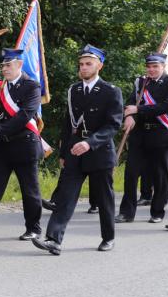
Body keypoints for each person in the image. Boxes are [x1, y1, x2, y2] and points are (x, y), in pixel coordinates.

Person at [32, 45, 122, 255]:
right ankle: (53, 239)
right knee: (65, 196)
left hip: (99, 152)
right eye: (81, 64)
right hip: (74, 150)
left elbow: (113, 124)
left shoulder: (110, 91)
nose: (83, 67)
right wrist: (64, 153)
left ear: (99, 66)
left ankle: (108, 237)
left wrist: (90, 142)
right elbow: (68, 123)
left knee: (104, 199)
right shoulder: (74, 90)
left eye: (88, 64)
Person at [0, 48, 44, 240]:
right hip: (2, 147)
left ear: (19, 64)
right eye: (2, 65)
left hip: (24, 145)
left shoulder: (32, 86)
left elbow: (25, 115)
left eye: (8, 65)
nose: (4, 68)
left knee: (29, 190)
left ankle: (33, 227)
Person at [115, 52, 168, 224]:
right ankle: (126, 212)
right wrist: (129, 116)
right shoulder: (141, 82)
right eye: (149, 66)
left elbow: (166, 107)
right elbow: (131, 102)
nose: (151, 70)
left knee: (160, 175)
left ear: (163, 67)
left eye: (155, 66)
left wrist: (138, 110)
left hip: (161, 133)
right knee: (131, 173)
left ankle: (157, 212)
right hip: (139, 134)